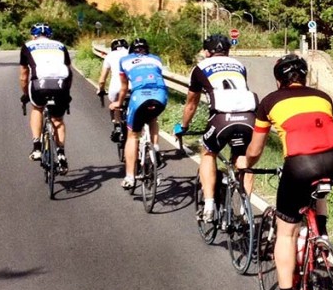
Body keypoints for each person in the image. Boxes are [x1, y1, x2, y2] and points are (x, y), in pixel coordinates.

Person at [244, 53, 333, 290]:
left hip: (301, 165)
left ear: (279, 79)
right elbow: (320, 135)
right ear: (305, 77)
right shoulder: (323, 97)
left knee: (286, 232)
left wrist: (246, 162)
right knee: (318, 187)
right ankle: (321, 237)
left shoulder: (268, 102)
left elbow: (256, 149)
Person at [174, 34, 258, 222]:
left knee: (208, 153)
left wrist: (184, 126)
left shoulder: (199, 68)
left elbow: (191, 104)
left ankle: (209, 204)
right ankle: (245, 212)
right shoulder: (239, 65)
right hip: (249, 117)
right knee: (243, 160)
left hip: (221, 118)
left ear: (206, 52)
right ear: (228, 51)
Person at [111, 37, 168, 190]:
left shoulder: (124, 60)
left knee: (132, 135)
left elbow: (124, 88)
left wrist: (118, 103)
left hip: (139, 96)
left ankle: (130, 176)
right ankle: (155, 148)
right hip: (160, 95)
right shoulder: (156, 59)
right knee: (152, 117)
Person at [19, 22, 72, 174]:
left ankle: (36, 147)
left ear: (33, 35)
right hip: (61, 86)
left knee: (37, 108)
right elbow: (68, 71)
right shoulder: (60, 45)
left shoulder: (28, 46)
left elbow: (24, 76)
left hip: (39, 86)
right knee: (58, 120)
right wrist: (66, 92)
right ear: (50, 35)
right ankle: (61, 154)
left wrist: (26, 94)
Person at [97, 38, 129, 141]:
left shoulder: (110, 56)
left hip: (116, 88)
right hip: (133, 87)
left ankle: (117, 126)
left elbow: (102, 80)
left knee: (115, 105)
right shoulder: (132, 54)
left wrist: (101, 90)